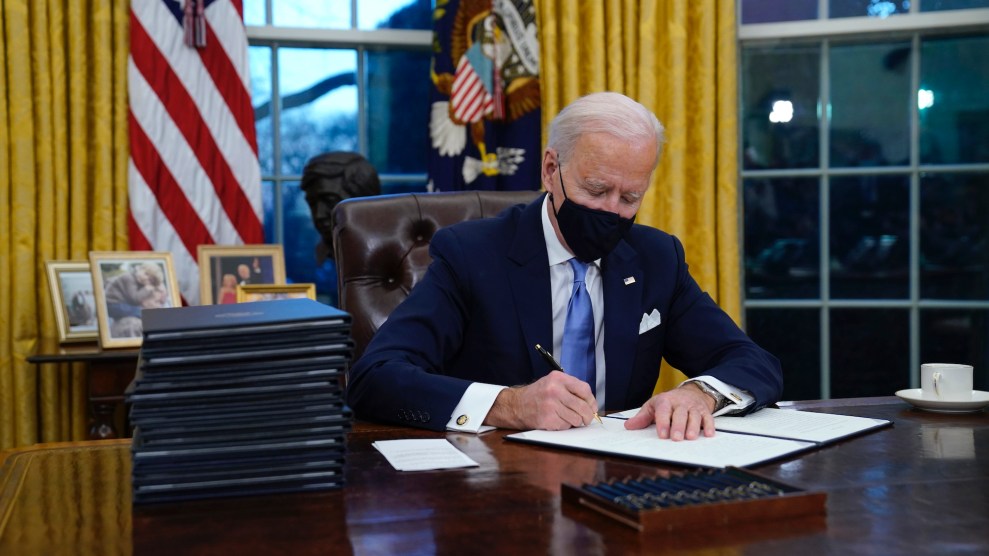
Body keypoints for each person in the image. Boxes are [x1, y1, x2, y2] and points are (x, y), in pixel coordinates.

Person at [347, 92, 782, 441]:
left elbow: (752, 361)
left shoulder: (656, 258)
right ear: (551, 169)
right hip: (499, 479)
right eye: (596, 190)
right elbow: (375, 377)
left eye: (630, 197)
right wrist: (508, 405)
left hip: (620, 476)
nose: (611, 210)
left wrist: (701, 393)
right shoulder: (471, 254)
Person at [300, 152, 381, 263]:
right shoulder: (311, 257)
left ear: (364, 202)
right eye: (312, 203)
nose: (319, 215)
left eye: (330, 201)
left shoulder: (389, 256)